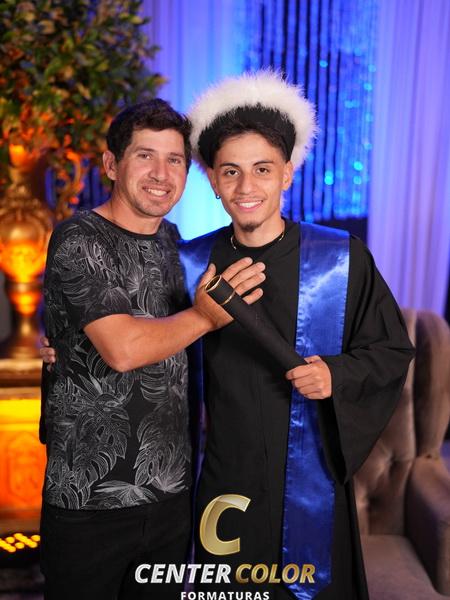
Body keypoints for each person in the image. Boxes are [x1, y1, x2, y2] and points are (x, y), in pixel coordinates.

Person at [176, 71, 415, 599]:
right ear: (212, 180)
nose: (246, 188)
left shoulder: (339, 259)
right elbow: (147, 345)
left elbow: (391, 350)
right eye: (230, 171)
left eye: (262, 169)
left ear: (287, 173)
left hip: (309, 477)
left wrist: (337, 373)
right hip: (223, 477)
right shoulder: (189, 264)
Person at [39, 98, 265, 600]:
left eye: (175, 159)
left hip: (170, 497)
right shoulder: (78, 238)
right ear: (111, 165)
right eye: (145, 156)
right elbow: (122, 350)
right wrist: (206, 315)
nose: (162, 174)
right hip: (88, 503)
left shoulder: (174, 242)